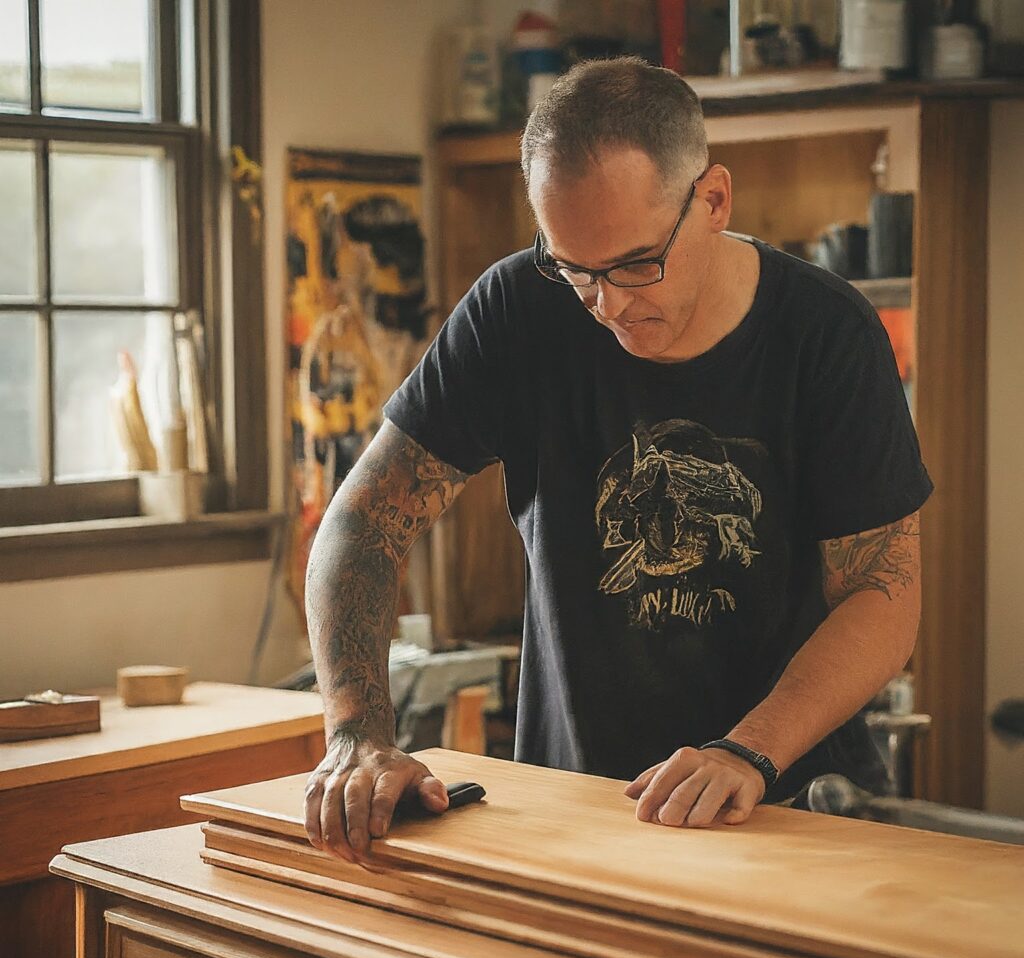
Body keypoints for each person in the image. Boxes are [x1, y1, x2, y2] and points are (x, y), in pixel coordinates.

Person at [303, 58, 932, 863]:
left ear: (712, 200)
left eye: (638, 263)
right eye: (576, 270)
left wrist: (746, 751)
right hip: (579, 809)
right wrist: (356, 734)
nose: (610, 304)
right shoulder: (516, 312)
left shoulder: (828, 336)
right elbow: (361, 523)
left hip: (789, 807)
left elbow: (884, 597)